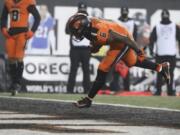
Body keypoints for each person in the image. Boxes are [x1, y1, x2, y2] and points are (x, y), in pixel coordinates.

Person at [66, 13, 170, 108]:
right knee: (132, 62)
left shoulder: (99, 31)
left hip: (122, 40)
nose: (75, 33)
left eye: (76, 31)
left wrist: (139, 51)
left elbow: (125, 39)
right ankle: (160, 68)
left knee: (103, 68)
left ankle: (88, 99)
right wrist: (95, 46)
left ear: (83, 26)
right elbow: (98, 41)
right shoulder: (89, 26)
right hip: (116, 39)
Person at [0, 0, 40, 96]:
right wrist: (4, 28)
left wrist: (32, 31)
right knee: (11, 59)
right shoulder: (8, 2)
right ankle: (14, 83)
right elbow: (3, 17)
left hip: (22, 33)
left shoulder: (27, 2)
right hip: (11, 33)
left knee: (19, 58)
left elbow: (37, 17)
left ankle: (17, 83)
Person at [149, 9, 180, 96]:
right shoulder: (158, 26)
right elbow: (152, 40)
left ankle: (169, 91)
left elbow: (151, 40)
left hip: (168, 53)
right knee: (160, 73)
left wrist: (151, 50)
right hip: (161, 54)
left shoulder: (174, 26)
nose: (165, 17)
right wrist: (151, 50)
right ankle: (161, 91)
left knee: (168, 73)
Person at [65, 2, 91, 93]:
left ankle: (87, 90)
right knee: (73, 69)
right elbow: (67, 31)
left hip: (86, 48)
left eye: (83, 11)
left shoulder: (91, 20)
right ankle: (69, 90)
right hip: (75, 49)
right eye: (81, 10)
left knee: (86, 70)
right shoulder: (72, 19)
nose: (82, 12)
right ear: (78, 10)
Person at [111, 7, 138, 91]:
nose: (124, 13)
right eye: (123, 12)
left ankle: (127, 89)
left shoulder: (132, 22)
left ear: (128, 12)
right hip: (118, 47)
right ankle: (115, 88)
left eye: (125, 12)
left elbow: (135, 36)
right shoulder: (116, 22)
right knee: (116, 69)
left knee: (127, 69)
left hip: (128, 48)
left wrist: (134, 47)